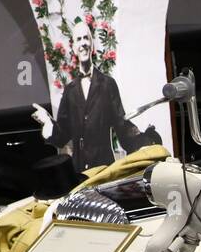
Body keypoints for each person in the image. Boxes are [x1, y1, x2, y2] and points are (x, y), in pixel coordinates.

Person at [31, 20, 161, 172]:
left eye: (86, 38)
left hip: (104, 169)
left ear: (92, 45)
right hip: (79, 173)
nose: (83, 43)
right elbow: (62, 136)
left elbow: (121, 124)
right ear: (74, 48)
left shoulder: (107, 84)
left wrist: (144, 141)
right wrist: (47, 121)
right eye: (79, 39)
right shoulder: (70, 91)